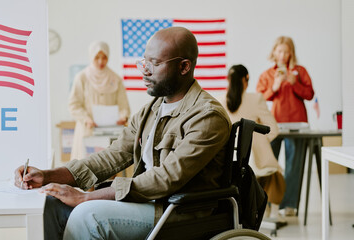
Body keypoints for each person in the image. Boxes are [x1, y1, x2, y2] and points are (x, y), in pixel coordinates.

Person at [14, 27, 231, 240]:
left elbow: (165, 179)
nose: (145, 70)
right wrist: (47, 176)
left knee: (87, 216)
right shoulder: (152, 110)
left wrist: (86, 197)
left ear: (184, 67)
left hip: (177, 211)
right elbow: (111, 157)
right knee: (51, 203)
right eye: (145, 62)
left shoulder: (208, 117)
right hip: (148, 204)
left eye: (155, 63)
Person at [217, 64, 285, 221]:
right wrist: (258, 143)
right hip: (255, 162)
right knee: (275, 174)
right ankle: (271, 213)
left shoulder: (219, 101)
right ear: (245, 79)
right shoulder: (256, 99)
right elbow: (273, 129)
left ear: (228, 80)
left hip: (228, 163)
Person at [256, 36, 314, 216]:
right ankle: (263, 202)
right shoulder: (267, 74)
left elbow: (310, 94)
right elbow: (260, 98)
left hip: (297, 125)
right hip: (274, 125)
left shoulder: (300, 71)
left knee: (293, 166)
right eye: (279, 51)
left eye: (286, 51)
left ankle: (288, 205)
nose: (283, 55)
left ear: (291, 53)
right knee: (267, 164)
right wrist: (274, 86)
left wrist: (295, 84)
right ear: (274, 52)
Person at [69, 41, 131, 160]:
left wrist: (123, 117)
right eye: (97, 57)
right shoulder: (82, 77)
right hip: (88, 131)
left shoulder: (115, 78)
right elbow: (74, 104)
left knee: (108, 165)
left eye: (104, 57)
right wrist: (86, 119)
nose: (100, 61)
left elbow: (124, 106)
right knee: (85, 167)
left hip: (110, 132)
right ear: (91, 57)